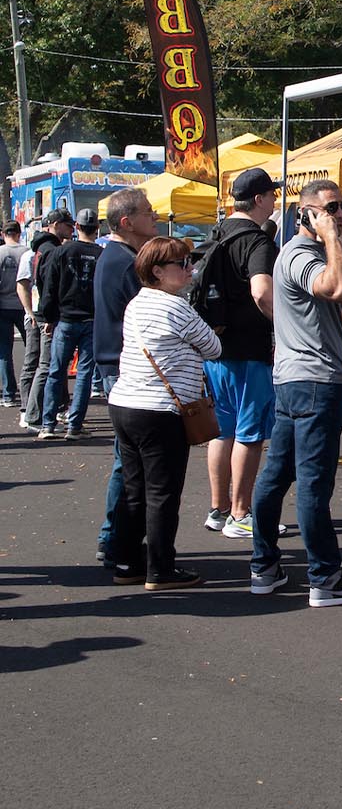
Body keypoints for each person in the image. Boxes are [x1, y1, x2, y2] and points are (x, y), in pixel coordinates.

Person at [249, 178, 342, 607]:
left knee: (277, 476)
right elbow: (338, 288)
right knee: (312, 484)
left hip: (295, 381)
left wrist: (333, 240)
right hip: (314, 383)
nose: (340, 215)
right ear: (304, 214)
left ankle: (265, 567)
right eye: (330, 208)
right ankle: (325, 579)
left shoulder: (307, 252)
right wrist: (328, 236)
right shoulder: (302, 254)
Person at [106, 236, 223, 590]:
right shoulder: (176, 307)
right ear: (157, 271)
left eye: (189, 262)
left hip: (125, 403)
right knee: (163, 491)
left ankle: (127, 561)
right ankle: (161, 568)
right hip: (161, 409)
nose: (190, 269)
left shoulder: (137, 303)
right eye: (181, 264)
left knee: (134, 487)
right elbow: (214, 347)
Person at [200, 167, 279, 539]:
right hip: (248, 351)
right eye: (272, 196)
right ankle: (241, 513)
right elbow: (262, 291)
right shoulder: (257, 241)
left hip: (215, 349)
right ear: (260, 199)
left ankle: (219, 509)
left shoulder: (216, 234)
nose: (276, 202)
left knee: (224, 431)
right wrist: (285, 327)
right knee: (250, 434)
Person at [94, 188, 157, 565]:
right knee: (130, 462)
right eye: (148, 213)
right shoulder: (123, 261)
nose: (154, 217)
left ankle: (115, 537)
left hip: (114, 365)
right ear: (126, 221)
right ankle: (116, 538)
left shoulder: (115, 256)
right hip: (122, 367)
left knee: (127, 460)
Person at [37, 207, 102, 440]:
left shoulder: (61, 252)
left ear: (77, 227)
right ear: (97, 228)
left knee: (56, 370)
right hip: (91, 319)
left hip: (65, 319)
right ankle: (74, 425)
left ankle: (48, 424)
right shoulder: (101, 255)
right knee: (85, 373)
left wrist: (47, 317)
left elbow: (49, 287)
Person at [21, 210, 75, 433]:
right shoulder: (51, 250)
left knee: (42, 364)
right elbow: (49, 287)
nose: (71, 229)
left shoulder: (39, 249)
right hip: (46, 316)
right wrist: (50, 317)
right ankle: (34, 415)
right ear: (55, 225)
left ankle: (37, 412)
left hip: (39, 313)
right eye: (67, 225)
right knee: (45, 366)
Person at [0, 221, 27, 407]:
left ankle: (9, 394)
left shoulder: (0, 252)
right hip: (24, 306)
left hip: (3, 305)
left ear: (3, 234)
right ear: (19, 233)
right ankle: (31, 391)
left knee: (4, 351)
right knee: (33, 350)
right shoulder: (27, 252)